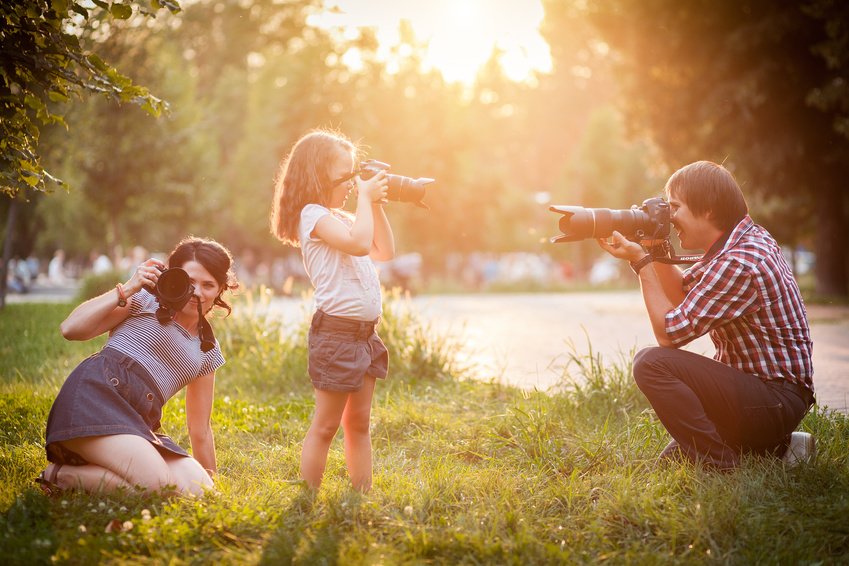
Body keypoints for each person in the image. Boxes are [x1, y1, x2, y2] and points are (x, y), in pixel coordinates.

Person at [597, 161, 815, 470]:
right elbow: (686, 295)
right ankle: (780, 448)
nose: (670, 218)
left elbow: (669, 335)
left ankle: (722, 469)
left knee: (651, 363)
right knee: (674, 459)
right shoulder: (739, 243)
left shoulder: (740, 262)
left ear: (708, 208)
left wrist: (642, 262)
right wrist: (654, 246)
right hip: (764, 397)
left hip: (774, 399)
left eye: (675, 208)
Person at [37, 237, 237, 497]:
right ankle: (61, 475)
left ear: (220, 289)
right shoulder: (145, 300)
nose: (197, 292)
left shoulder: (207, 350)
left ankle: (92, 472)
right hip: (96, 396)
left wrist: (216, 493)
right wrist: (128, 288)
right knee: (164, 489)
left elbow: (200, 431)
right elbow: (70, 329)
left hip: (138, 422)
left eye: (208, 285)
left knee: (200, 492)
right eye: (189, 282)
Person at [270, 128, 394, 491]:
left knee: (359, 422)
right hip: (336, 335)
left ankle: (361, 492)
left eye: (356, 177)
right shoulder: (313, 216)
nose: (353, 185)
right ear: (318, 176)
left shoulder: (342, 217)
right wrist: (365, 201)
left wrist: (376, 203)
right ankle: (308, 497)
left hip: (365, 335)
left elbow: (383, 250)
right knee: (326, 425)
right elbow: (359, 246)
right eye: (346, 177)